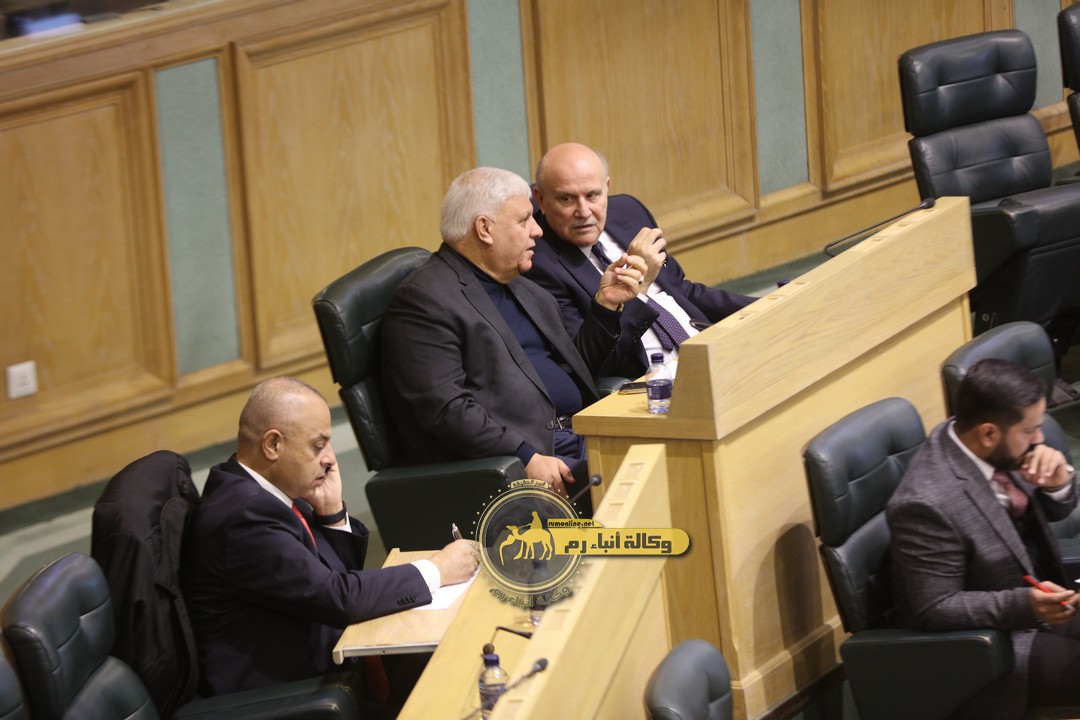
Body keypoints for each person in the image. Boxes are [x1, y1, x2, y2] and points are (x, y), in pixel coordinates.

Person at [182, 376, 479, 703]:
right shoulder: (245, 516)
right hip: (287, 691)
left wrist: (331, 513)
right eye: (317, 445)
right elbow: (340, 598)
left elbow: (334, 579)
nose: (329, 458)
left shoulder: (265, 490)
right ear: (273, 445)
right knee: (452, 674)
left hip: (323, 652)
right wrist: (438, 570)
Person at [381, 166, 646, 497]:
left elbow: (576, 369)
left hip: (581, 434)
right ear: (484, 229)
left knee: (678, 449)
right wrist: (526, 456)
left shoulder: (523, 286)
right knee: (655, 481)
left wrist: (605, 306)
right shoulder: (425, 300)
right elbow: (446, 409)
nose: (537, 231)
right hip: (531, 461)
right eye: (524, 220)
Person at [887, 358, 1080, 719]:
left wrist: (1058, 484)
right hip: (994, 642)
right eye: (1030, 430)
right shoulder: (925, 502)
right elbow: (934, 607)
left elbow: (1050, 512)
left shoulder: (986, 444)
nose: (1039, 439)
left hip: (1046, 602)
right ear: (988, 433)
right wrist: (1025, 605)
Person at [526, 142, 756, 379]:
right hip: (652, 382)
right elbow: (587, 366)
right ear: (541, 200)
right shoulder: (538, 263)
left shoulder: (629, 211)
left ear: (606, 187)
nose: (584, 212)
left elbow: (681, 289)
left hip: (707, 349)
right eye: (567, 199)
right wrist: (639, 288)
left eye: (592, 195)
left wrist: (764, 305)